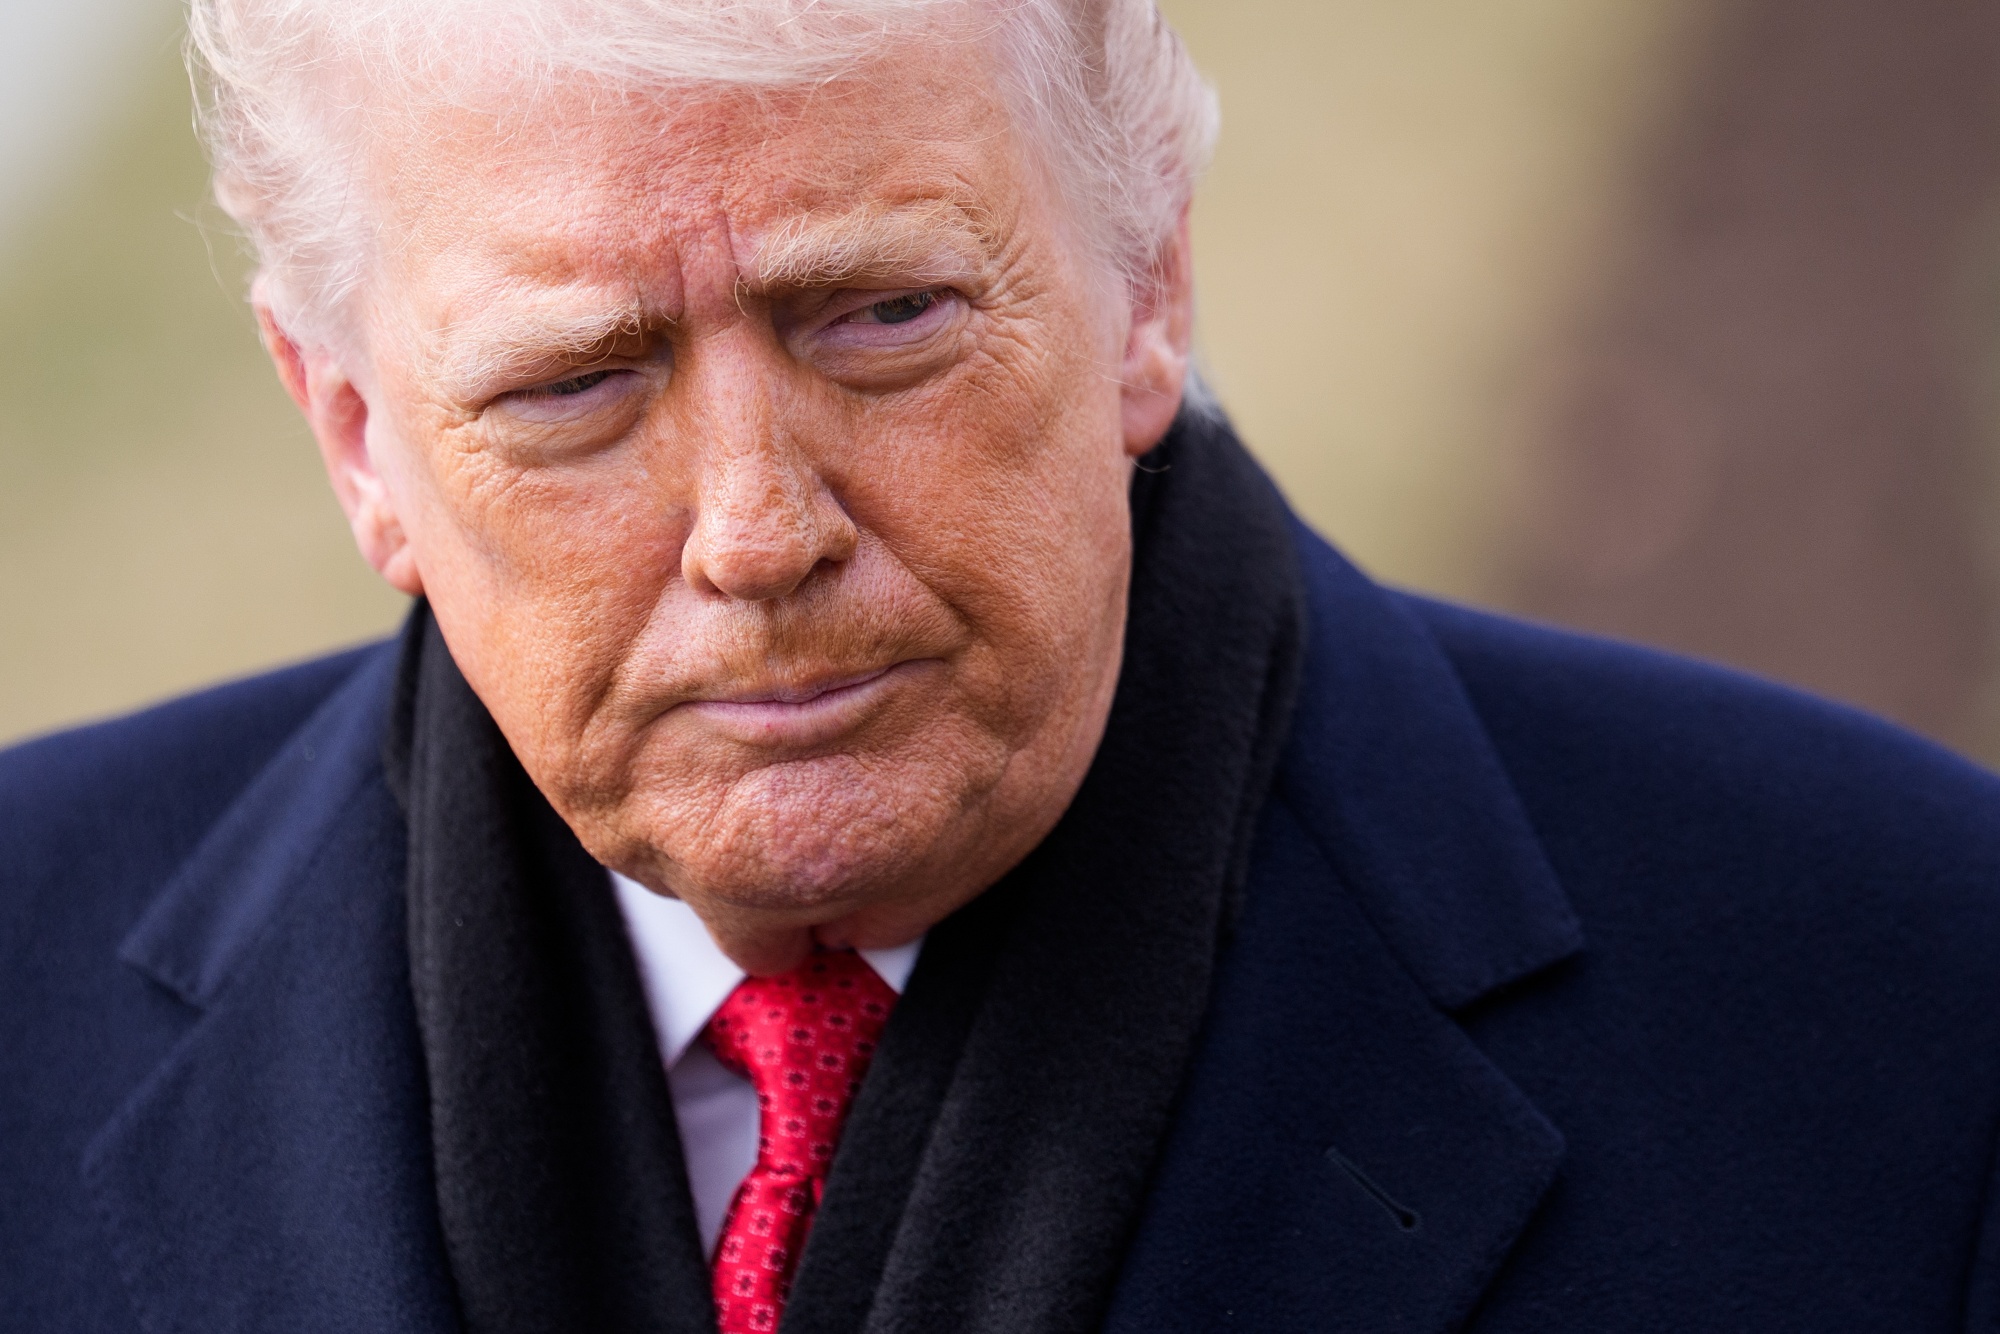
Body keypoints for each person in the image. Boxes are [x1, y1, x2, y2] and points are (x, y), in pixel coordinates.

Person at [4, 0, 1999, 1329]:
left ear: (1150, 284)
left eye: (877, 313)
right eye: (575, 381)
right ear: (355, 429)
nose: (756, 526)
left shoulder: (1911, 1001)